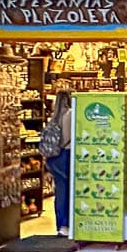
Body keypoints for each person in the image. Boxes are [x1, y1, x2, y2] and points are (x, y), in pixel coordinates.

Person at [47, 90, 73, 237]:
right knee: (68, 190)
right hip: (65, 154)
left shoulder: (54, 117)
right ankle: (66, 224)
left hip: (54, 158)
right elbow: (69, 137)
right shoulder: (69, 114)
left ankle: (60, 225)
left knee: (60, 191)